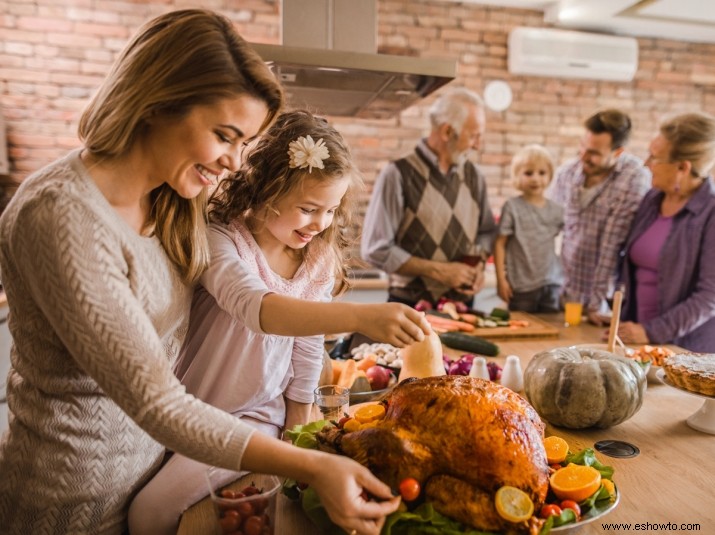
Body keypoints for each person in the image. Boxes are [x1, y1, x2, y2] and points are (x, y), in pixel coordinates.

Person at [0, 10, 425, 535]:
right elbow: (156, 399)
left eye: (244, 143)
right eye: (226, 136)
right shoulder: (60, 216)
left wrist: (300, 421)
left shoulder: (175, 202)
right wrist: (311, 462)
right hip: (73, 502)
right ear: (157, 102)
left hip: (151, 467)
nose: (234, 162)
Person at [128, 109, 373, 533]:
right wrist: (360, 314)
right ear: (267, 190)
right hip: (188, 410)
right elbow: (251, 305)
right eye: (308, 208)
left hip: (254, 418)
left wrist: (300, 418)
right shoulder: (222, 240)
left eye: (331, 211)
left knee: (148, 513)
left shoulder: (318, 261)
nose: (321, 224)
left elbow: (308, 343)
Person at [360, 87, 497, 308]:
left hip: (463, 308)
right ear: (446, 132)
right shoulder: (398, 175)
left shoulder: (475, 177)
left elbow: (487, 232)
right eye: (473, 136)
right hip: (409, 309)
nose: (478, 145)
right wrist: (439, 271)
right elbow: (376, 249)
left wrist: (479, 267)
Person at [618, 112, 715, 352]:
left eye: (655, 157)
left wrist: (651, 331)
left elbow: (709, 296)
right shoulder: (652, 199)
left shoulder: (710, 213)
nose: (646, 163)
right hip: (639, 344)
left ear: (682, 167)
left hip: (684, 350)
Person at [546, 109, 650, 325]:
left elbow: (612, 243)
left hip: (605, 303)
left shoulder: (634, 177)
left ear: (618, 152)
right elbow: (547, 229)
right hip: (564, 293)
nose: (583, 155)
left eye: (594, 152)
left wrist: (597, 301)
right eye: (583, 146)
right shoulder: (567, 173)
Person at [494, 144, 564, 312]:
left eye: (542, 173)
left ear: (550, 176)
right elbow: (499, 244)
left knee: (552, 330)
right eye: (528, 173)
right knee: (522, 328)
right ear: (517, 176)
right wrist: (501, 280)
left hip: (551, 283)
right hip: (521, 286)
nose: (535, 178)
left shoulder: (557, 210)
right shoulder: (512, 207)